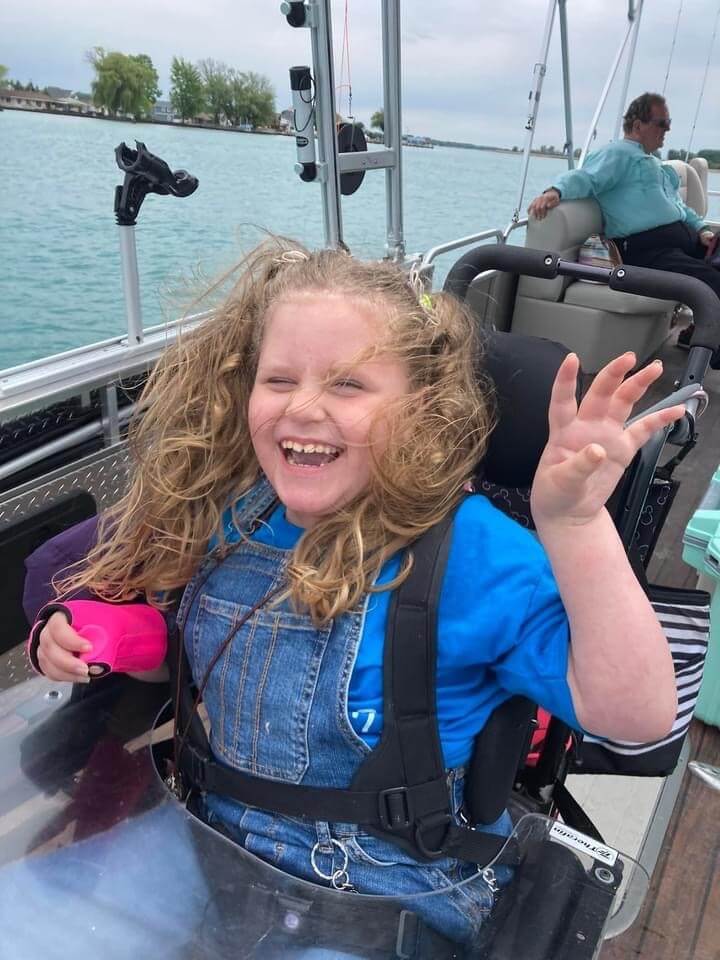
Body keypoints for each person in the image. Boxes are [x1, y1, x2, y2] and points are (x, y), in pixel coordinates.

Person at [28, 240, 682, 953]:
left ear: (421, 409)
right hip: (211, 839)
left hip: (387, 888)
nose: (304, 408)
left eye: (347, 385)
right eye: (279, 379)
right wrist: (101, 636)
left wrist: (576, 523)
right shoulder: (231, 520)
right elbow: (191, 663)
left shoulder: (476, 555)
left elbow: (635, 716)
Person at [528, 91, 718, 348]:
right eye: (662, 123)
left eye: (669, 124)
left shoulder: (652, 163)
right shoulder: (618, 153)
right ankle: (712, 350)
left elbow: (680, 208)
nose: (667, 130)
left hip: (679, 243)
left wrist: (702, 229)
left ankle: (695, 332)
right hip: (647, 250)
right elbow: (587, 177)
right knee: (710, 280)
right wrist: (556, 191)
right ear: (638, 125)